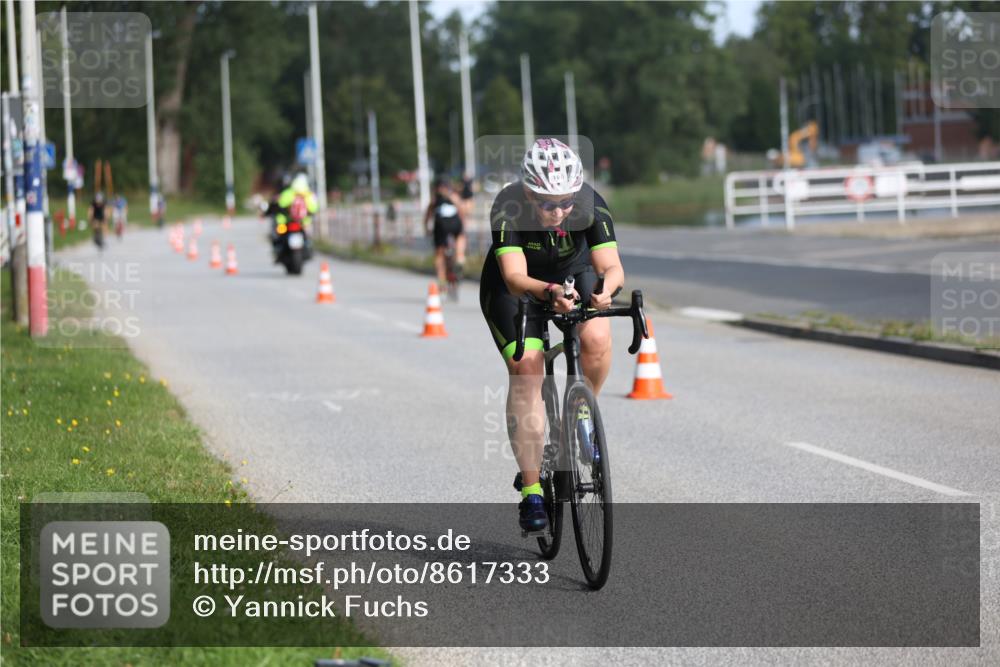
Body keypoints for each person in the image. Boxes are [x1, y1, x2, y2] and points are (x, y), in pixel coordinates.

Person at [479, 138, 624, 532]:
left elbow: (612, 267)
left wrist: (605, 292)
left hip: (570, 272)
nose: (559, 212)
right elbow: (513, 277)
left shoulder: (590, 203)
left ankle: (582, 410)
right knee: (527, 368)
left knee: (595, 335)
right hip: (517, 289)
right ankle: (531, 491)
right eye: (547, 204)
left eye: (566, 202)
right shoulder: (508, 206)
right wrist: (549, 293)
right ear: (528, 193)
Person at [423, 178, 467, 285]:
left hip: (441, 225)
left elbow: (427, 216)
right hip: (455, 223)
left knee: (439, 254)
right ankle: (460, 259)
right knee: (460, 237)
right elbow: (462, 211)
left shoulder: (434, 200)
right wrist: (463, 226)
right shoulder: (454, 197)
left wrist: (426, 229)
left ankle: (441, 278)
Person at [274, 173, 318, 258]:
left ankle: (278, 249)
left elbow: (279, 205)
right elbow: (314, 208)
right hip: (303, 223)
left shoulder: (288, 193)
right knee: (308, 238)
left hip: (287, 222)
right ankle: (308, 248)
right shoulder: (309, 194)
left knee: (278, 236)